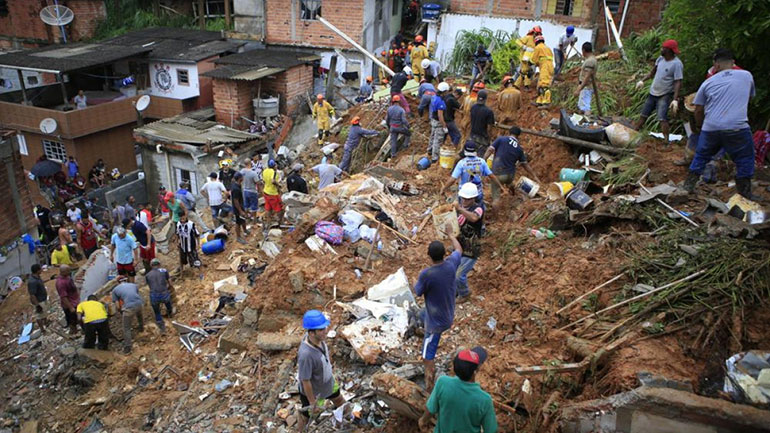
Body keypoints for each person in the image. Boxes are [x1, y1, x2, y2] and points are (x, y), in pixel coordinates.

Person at [684, 48, 756, 198]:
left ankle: (688, 187)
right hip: (737, 127)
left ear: (716, 65)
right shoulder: (747, 76)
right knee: (745, 157)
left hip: (711, 127)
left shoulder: (708, 82)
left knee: (701, 156)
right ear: (733, 62)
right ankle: (744, 193)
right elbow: (748, 98)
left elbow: (698, 110)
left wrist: (700, 126)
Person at [414, 237, 463, 392]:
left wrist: (415, 280)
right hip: (448, 312)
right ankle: (420, 330)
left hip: (436, 324)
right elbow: (459, 250)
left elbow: (417, 292)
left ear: (429, 256)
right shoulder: (451, 264)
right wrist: (451, 235)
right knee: (420, 314)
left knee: (426, 356)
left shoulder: (427, 274)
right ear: (445, 254)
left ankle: (430, 386)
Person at [419, 346, 497, 433]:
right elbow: (491, 430)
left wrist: (422, 421)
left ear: (454, 368)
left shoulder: (443, 383)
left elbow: (431, 409)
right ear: (475, 371)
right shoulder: (484, 400)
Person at [296, 310, 346, 432]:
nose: (325, 331)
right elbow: (305, 380)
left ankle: (348, 417)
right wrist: (312, 402)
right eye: (321, 329)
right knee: (307, 416)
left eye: (324, 328)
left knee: (339, 399)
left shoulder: (319, 340)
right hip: (315, 392)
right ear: (311, 333)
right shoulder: (306, 355)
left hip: (328, 383)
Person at [633, 39, 683, 144]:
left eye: (664, 48)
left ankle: (666, 141)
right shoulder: (660, 59)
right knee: (644, 114)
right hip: (653, 92)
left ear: (669, 50)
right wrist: (642, 80)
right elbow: (652, 72)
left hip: (664, 94)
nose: (661, 50)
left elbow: (678, 82)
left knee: (662, 118)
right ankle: (633, 134)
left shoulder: (677, 64)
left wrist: (675, 99)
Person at [484, 126, 540, 205]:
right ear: (518, 136)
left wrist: (483, 160)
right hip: (510, 175)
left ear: (509, 132)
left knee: (496, 198)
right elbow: (525, 165)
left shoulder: (501, 139)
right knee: (509, 182)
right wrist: (535, 176)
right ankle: (512, 195)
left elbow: (490, 149)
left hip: (498, 173)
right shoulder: (519, 149)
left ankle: (496, 209)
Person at [440, 141, 504, 209]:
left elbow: (452, 180)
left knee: (463, 211)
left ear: (465, 150)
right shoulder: (482, 161)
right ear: (476, 150)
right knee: (479, 210)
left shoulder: (462, 163)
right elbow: (492, 176)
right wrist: (501, 186)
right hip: (478, 193)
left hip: (465, 195)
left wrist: (443, 189)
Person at [454, 183, 484, 302]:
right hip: (460, 245)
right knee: (453, 270)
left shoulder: (478, 208)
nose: (464, 201)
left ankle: (465, 294)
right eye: (463, 198)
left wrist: (460, 209)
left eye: (467, 199)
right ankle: (456, 291)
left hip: (471, 247)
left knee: (459, 274)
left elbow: (474, 218)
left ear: (473, 199)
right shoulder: (461, 207)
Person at [111, 275, 144, 354]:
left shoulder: (115, 290)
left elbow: (117, 305)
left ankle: (128, 347)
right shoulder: (133, 285)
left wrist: (120, 311)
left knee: (126, 328)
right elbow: (135, 295)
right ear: (126, 280)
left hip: (129, 308)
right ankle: (141, 328)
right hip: (139, 304)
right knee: (139, 315)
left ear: (118, 282)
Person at [145, 258, 174, 333]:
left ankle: (161, 327)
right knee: (168, 302)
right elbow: (170, 283)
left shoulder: (148, 275)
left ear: (151, 265)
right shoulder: (164, 271)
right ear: (159, 264)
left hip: (154, 296)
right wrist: (170, 288)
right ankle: (170, 313)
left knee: (157, 312)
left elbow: (150, 286)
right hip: (164, 294)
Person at [428, 82, 451, 162]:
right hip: (438, 122)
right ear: (444, 91)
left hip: (433, 120)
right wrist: (444, 126)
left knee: (432, 136)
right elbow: (440, 116)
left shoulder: (434, 97)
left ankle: (430, 150)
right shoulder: (440, 102)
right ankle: (435, 158)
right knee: (437, 140)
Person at [469, 90, 496, 156]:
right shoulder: (488, 111)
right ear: (485, 99)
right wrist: (489, 138)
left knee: (470, 154)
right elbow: (489, 128)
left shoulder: (473, 107)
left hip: (472, 135)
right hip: (482, 138)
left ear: (477, 98)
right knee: (480, 157)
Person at [531, 35, 555, 107]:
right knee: (540, 84)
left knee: (544, 84)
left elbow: (533, 60)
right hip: (550, 66)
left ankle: (546, 102)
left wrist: (530, 63)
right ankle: (540, 101)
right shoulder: (548, 48)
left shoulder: (538, 48)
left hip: (545, 67)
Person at [574, 42, 597, 116]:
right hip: (586, 87)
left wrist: (579, 88)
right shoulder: (591, 59)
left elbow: (587, 76)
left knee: (586, 107)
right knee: (582, 106)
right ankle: (583, 120)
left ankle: (587, 120)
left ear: (583, 50)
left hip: (586, 87)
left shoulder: (590, 61)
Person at [56, 265, 80, 334]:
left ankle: (77, 330)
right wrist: (70, 307)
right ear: (63, 272)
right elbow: (63, 297)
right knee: (72, 320)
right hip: (70, 304)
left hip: (75, 301)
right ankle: (73, 332)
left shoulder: (67, 277)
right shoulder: (60, 283)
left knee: (77, 318)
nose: (70, 272)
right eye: (68, 271)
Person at [387, 95, 411, 159]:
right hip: (399, 127)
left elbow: (387, 120)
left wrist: (389, 127)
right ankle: (405, 146)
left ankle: (393, 154)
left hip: (392, 127)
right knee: (408, 133)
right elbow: (404, 120)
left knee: (393, 141)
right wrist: (408, 127)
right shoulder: (401, 110)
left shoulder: (389, 109)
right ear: (399, 101)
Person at [262, 159, 283, 227]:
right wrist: (279, 185)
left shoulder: (265, 171)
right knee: (278, 208)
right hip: (272, 193)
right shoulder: (273, 172)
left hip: (266, 191)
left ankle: (268, 222)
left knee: (268, 208)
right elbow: (273, 181)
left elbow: (263, 181)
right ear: (274, 166)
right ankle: (279, 222)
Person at [27, 264, 48, 332]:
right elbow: (32, 295)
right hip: (39, 301)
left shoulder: (37, 277)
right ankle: (42, 329)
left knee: (44, 312)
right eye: (40, 269)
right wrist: (37, 305)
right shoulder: (32, 281)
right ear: (37, 270)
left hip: (43, 299)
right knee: (39, 315)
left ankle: (46, 323)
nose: (42, 270)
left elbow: (40, 283)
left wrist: (50, 279)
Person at [230, 172, 249, 244]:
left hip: (240, 206)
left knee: (243, 219)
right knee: (238, 222)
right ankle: (238, 237)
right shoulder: (236, 189)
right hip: (237, 208)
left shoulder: (237, 185)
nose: (243, 178)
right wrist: (240, 211)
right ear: (240, 178)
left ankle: (245, 230)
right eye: (242, 177)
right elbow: (236, 201)